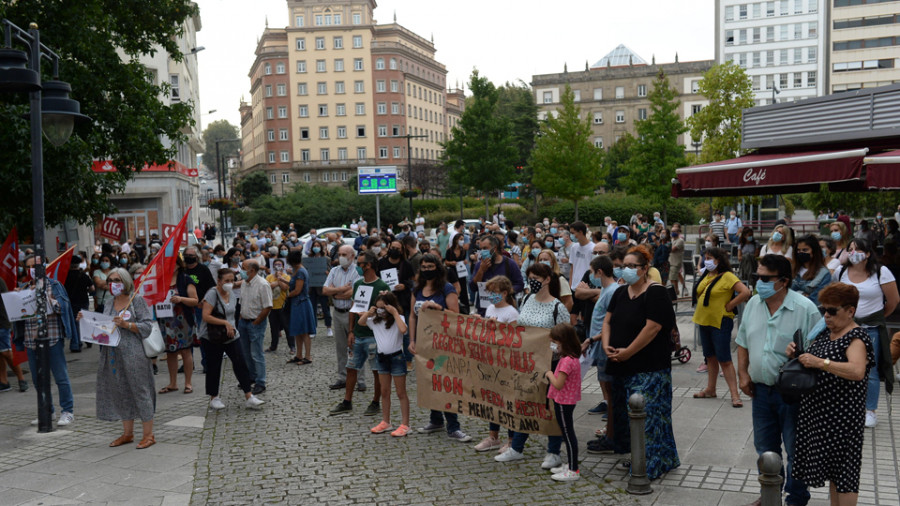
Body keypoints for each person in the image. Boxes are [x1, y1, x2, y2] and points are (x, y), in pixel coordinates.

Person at [736, 254, 821, 506]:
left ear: (783, 281)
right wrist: (743, 375)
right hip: (761, 391)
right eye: (756, 277)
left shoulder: (806, 309)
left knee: (795, 450)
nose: (758, 282)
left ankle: (796, 498)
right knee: (764, 448)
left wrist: (802, 355)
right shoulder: (753, 303)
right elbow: (742, 342)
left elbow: (818, 352)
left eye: (764, 278)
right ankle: (769, 494)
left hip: (794, 394)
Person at [788, 283, 873, 506]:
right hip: (819, 416)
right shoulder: (827, 333)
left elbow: (856, 371)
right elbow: (814, 361)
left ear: (850, 311)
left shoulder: (856, 336)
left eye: (832, 311)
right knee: (834, 475)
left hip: (841, 419)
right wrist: (799, 355)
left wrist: (820, 362)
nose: (826, 315)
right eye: (824, 309)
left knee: (844, 475)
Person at [601, 246, 679, 480]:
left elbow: (652, 328)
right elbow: (607, 322)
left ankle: (654, 462)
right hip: (621, 363)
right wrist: (606, 346)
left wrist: (629, 352)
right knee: (628, 416)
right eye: (623, 265)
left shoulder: (656, 292)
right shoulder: (620, 292)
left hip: (649, 366)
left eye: (632, 266)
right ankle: (641, 456)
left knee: (652, 416)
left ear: (645, 269)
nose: (626, 269)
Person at [495, 263, 568, 468]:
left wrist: (547, 347)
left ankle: (554, 452)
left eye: (536, 277)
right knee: (525, 405)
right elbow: (520, 328)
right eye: (530, 276)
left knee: (551, 408)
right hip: (527, 364)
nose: (532, 280)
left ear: (547, 279)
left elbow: (565, 339)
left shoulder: (557, 308)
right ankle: (517, 448)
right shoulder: (527, 299)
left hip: (549, 365)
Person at [832, 238, 898, 428]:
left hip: (870, 329)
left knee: (870, 370)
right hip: (843, 328)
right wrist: (838, 259)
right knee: (841, 366)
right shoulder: (841, 272)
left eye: (858, 249)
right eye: (850, 250)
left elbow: (893, 301)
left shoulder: (881, 272)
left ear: (868, 253)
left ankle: (870, 410)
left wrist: (878, 316)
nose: (854, 253)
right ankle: (846, 406)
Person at [408, 254, 472, 442]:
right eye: (424, 267)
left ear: (438, 267)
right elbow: (412, 316)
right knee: (430, 379)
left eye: (430, 266)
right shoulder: (417, 289)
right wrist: (412, 339)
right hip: (425, 343)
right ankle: (435, 419)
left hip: (445, 344)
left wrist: (438, 308)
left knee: (445, 382)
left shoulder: (447, 288)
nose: (427, 270)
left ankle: (453, 426)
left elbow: (456, 315)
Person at [15, 256, 77, 426]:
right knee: (38, 379)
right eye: (28, 267)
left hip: (52, 338)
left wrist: (44, 297)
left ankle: (67, 411)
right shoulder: (25, 288)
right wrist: (17, 298)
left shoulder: (54, 286)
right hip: (31, 340)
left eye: (35, 266)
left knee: (60, 377)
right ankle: (47, 410)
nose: (32, 270)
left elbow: (62, 308)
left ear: (44, 266)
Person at [691, 247, 751, 407]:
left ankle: (734, 394)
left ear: (718, 260)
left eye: (710, 257)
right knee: (710, 356)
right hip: (704, 320)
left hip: (720, 321)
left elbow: (745, 292)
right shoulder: (706, 274)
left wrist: (731, 305)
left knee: (724, 359)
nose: (706, 260)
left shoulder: (728, 276)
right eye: (705, 257)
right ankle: (711, 389)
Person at [329, 251, 388, 415]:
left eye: (360, 263)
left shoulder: (382, 286)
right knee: (351, 368)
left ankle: (376, 402)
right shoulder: (358, 284)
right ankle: (347, 401)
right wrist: (351, 331)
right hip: (358, 334)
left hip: (374, 336)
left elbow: (387, 313)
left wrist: (373, 315)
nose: (358, 266)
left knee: (377, 371)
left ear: (368, 265)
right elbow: (353, 308)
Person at [474, 275, 519, 453]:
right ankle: (493, 436)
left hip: (506, 363)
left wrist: (498, 328)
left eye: (495, 292)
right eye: (490, 292)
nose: (492, 295)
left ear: (505, 293)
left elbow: (515, 339)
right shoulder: (491, 307)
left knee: (507, 402)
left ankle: (511, 439)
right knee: (493, 401)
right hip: (491, 360)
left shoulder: (512, 313)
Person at [583, 254, 622, 454]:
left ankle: (612, 435)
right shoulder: (605, 290)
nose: (590, 276)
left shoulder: (612, 291)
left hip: (603, 347)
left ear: (599, 272)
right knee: (607, 392)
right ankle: (611, 432)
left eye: (591, 272)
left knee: (610, 392)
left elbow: (610, 324)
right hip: (598, 348)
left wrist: (592, 339)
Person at [358, 292, 410, 437]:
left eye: (384, 308)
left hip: (396, 357)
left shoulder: (399, 318)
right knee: (385, 391)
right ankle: (386, 421)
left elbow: (403, 329)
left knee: (401, 393)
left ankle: (405, 424)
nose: (381, 312)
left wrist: (394, 313)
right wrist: (369, 312)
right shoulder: (375, 321)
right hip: (381, 358)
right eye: (379, 309)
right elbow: (361, 322)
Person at [542, 323, 583, 482]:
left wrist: (549, 374)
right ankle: (571, 464)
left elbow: (558, 383)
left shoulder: (566, 360)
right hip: (566, 401)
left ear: (562, 341)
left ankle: (573, 469)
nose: (552, 345)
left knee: (568, 434)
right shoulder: (572, 356)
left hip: (563, 402)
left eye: (554, 342)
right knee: (568, 433)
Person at [322, 245, 362, 391]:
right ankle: (342, 377)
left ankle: (360, 379)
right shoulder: (334, 270)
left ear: (352, 256)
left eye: (344, 254)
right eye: (339, 254)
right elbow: (325, 290)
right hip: (337, 312)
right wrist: (340, 290)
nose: (341, 257)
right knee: (340, 347)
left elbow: (354, 293)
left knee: (356, 346)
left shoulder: (358, 271)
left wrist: (335, 293)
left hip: (352, 312)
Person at [238, 260, 273, 395]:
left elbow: (268, 306)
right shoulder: (244, 283)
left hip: (255, 323)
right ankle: (251, 377)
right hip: (244, 322)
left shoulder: (263, 284)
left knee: (257, 353)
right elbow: (242, 303)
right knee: (246, 353)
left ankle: (260, 382)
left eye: (244, 268)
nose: (241, 270)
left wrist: (257, 322)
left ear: (252, 271)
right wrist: (241, 318)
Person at [470, 235, 525, 316]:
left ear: (494, 248)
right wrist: (481, 271)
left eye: (485, 248)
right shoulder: (479, 265)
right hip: (484, 311)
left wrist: (504, 291)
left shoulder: (510, 264)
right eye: (481, 249)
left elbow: (520, 284)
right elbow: (473, 287)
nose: (482, 251)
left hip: (504, 312)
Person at [284, 251, 316, 365]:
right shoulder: (296, 270)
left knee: (304, 331)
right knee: (298, 331)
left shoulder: (301, 272)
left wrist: (287, 296)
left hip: (301, 303)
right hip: (297, 303)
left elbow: (297, 290)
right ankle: (299, 355)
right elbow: (292, 284)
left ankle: (307, 356)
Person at [0, 277, 27, 392]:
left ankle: (21, 379)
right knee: (0, 353)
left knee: (6, 352)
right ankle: (3, 381)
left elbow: (5, 299)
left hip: (1, 322)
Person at [64, 255, 94, 352]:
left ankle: (76, 344)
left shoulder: (65, 276)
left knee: (75, 323)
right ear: (79, 264)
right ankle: (88, 339)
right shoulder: (84, 275)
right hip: (83, 301)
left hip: (71, 302)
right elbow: (92, 288)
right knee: (84, 320)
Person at [791, 235, 832, 306]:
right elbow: (784, 295)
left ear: (814, 251)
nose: (801, 253)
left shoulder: (824, 274)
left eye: (805, 250)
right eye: (798, 250)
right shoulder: (792, 270)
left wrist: (797, 296)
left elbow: (817, 300)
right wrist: (803, 295)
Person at [264, 258, 293, 355]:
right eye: (276, 264)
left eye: (279, 264)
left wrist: (279, 278)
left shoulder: (287, 277)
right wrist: (278, 281)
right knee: (273, 328)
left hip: (283, 306)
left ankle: (292, 346)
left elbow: (285, 287)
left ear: (283, 267)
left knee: (287, 327)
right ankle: (273, 346)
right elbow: (268, 287)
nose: (277, 266)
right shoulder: (269, 277)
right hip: (272, 306)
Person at [307, 239, 333, 336]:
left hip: (322, 287)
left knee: (325, 308)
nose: (316, 248)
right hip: (311, 287)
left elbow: (330, 272)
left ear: (321, 248)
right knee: (312, 309)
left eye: (318, 246)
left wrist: (326, 272)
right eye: (315, 246)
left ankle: (329, 327)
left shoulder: (326, 259)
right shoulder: (309, 259)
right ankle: (313, 328)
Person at [444, 232, 471, 315]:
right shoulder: (450, 251)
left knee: (463, 289)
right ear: (456, 240)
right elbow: (446, 262)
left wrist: (465, 262)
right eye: (461, 239)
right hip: (452, 273)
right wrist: (451, 263)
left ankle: (466, 309)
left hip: (461, 272)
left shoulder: (463, 250)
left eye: (463, 240)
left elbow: (464, 260)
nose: (462, 241)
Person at [567, 221, 595, 290]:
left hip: (585, 287)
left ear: (580, 232)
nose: (571, 236)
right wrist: (570, 285)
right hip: (574, 287)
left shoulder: (593, 248)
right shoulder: (574, 247)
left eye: (573, 233)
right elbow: (572, 267)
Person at [668, 228, 685, 295]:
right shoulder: (671, 240)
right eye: (672, 231)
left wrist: (665, 246)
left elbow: (672, 249)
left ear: (678, 232)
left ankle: (674, 293)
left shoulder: (680, 241)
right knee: (673, 278)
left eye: (674, 231)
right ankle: (676, 291)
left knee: (672, 278)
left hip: (676, 262)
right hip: (670, 261)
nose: (673, 232)